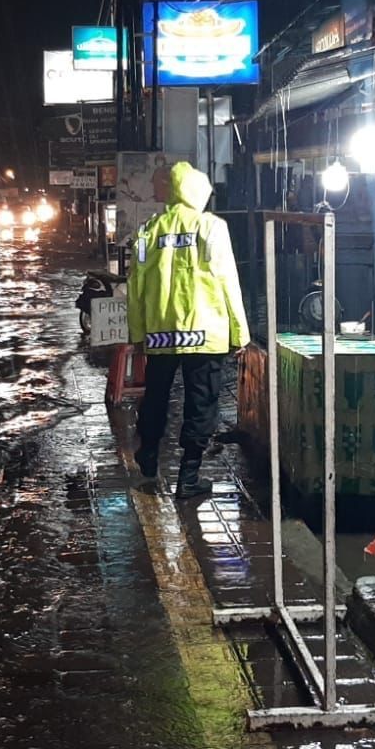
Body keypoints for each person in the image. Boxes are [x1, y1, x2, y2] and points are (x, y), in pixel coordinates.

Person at [128, 161, 249, 497]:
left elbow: (135, 286)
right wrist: (239, 334)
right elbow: (228, 280)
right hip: (205, 333)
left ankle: (148, 457)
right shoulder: (211, 227)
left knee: (156, 397)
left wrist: (137, 334)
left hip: (160, 333)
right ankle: (188, 477)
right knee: (201, 403)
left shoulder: (149, 231)